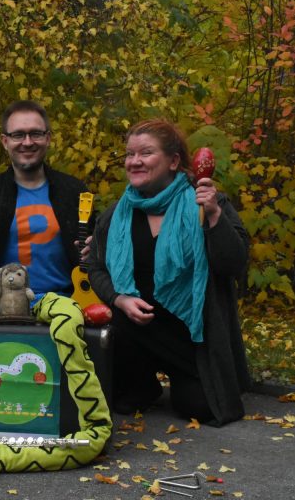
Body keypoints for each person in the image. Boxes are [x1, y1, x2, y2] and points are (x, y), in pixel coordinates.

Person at [88, 119, 251, 426]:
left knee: (200, 407)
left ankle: (188, 379)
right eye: (129, 154)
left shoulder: (206, 203)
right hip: (136, 334)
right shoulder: (116, 214)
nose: (134, 161)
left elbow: (234, 264)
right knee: (122, 402)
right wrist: (119, 298)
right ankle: (143, 385)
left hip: (190, 338)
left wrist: (215, 216)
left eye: (146, 153)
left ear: (174, 161)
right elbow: (96, 267)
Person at [0, 100, 88, 301]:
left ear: (47, 139)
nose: (27, 142)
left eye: (35, 134)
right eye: (18, 135)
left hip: (68, 301)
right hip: (3, 303)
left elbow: (95, 249)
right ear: (5, 141)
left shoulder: (74, 191)